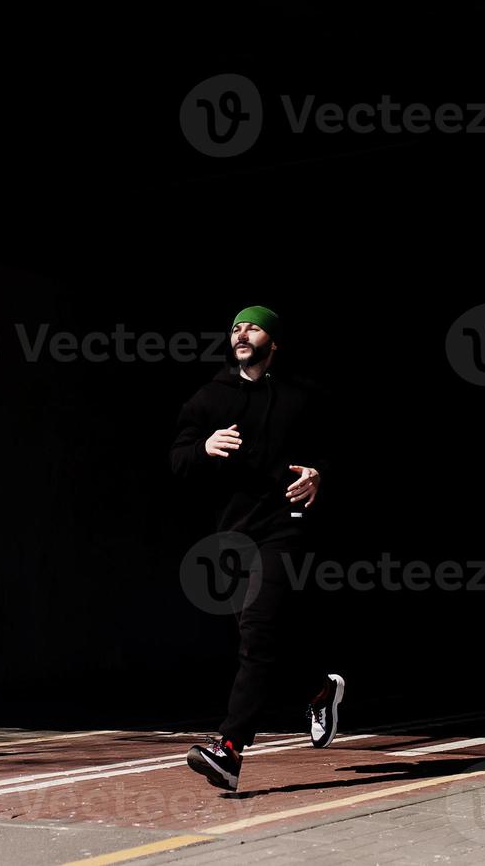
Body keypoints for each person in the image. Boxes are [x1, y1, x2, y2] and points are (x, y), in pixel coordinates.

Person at [169, 305, 345, 792]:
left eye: (253, 326)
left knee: (259, 629)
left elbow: (334, 447)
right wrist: (202, 448)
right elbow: (177, 458)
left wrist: (320, 473)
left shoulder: (302, 397)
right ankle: (320, 688)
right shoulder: (210, 397)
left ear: (275, 341)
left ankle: (229, 749)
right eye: (235, 328)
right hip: (231, 535)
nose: (242, 333)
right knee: (261, 639)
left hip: (282, 527)